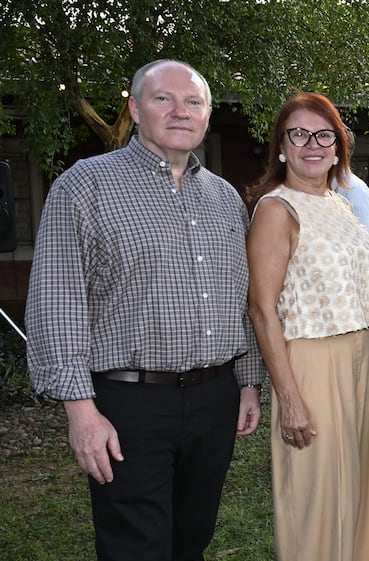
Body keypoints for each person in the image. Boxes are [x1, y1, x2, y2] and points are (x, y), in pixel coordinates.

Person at [24, 59, 265, 561]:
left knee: (191, 539)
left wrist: (247, 381)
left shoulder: (225, 200)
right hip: (129, 404)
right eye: (163, 99)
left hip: (214, 400)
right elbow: (56, 301)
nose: (181, 111)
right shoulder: (84, 186)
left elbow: (241, 300)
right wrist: (81, 412)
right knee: (136, 546)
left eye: (193, 102)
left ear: (207, 114)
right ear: (135, 109)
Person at [245, 92, 369, 561]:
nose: (312, 144)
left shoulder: (340, 204)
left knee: (360, 485)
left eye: (324, 134)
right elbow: (261, 310)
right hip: (310, 360)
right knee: (317, 496)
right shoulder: (277, 209)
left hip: (361, 357)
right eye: (299, 134)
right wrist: (289, 397)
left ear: (338, 146)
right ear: (281, 146)